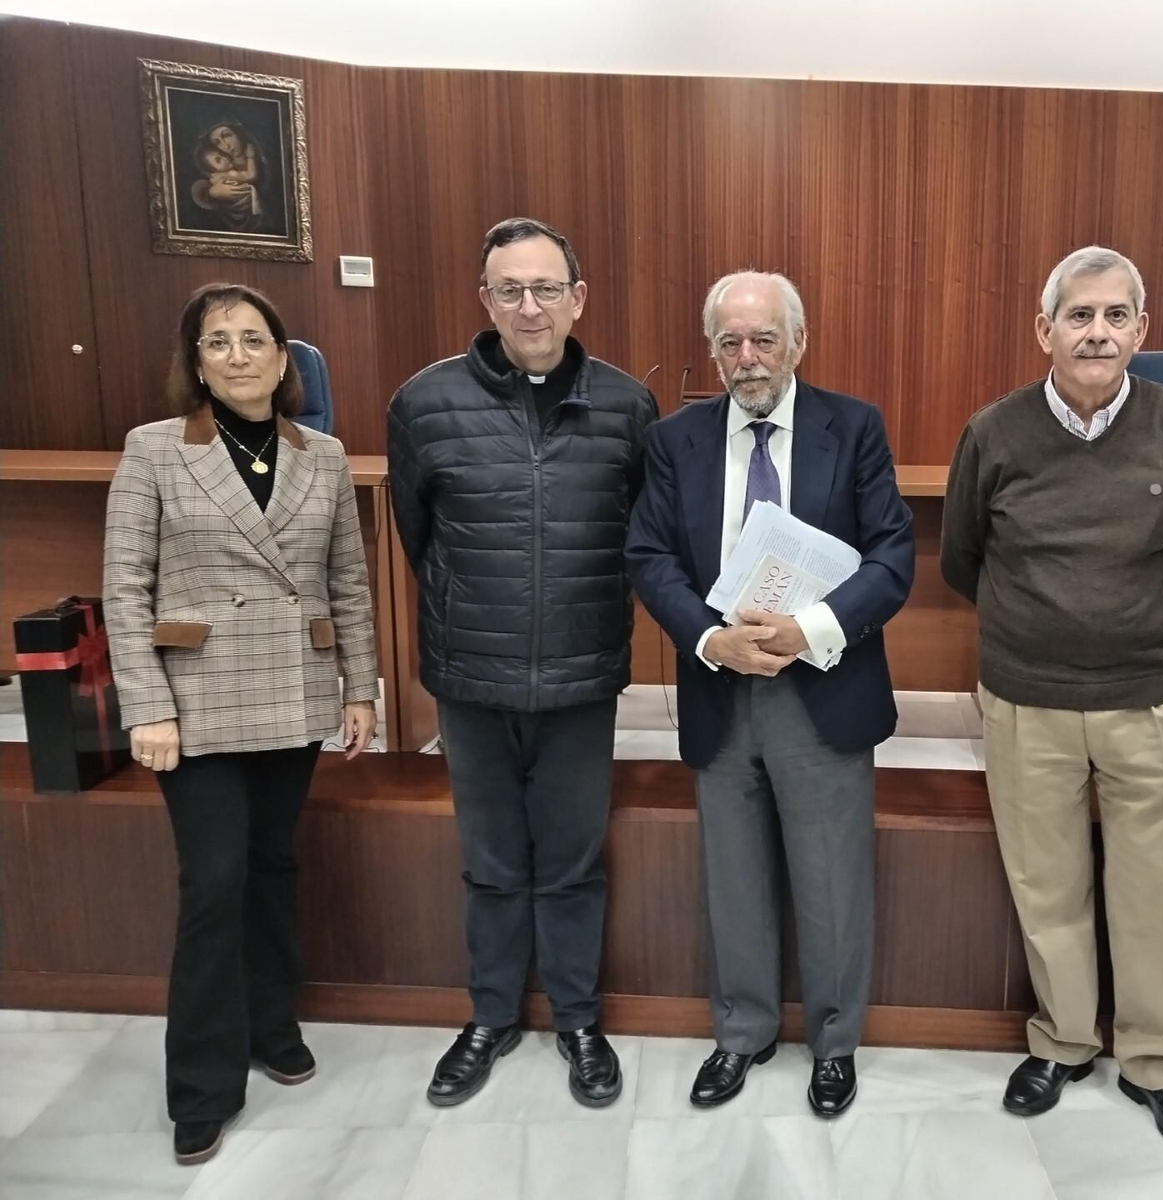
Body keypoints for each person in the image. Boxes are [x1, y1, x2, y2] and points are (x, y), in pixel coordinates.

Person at [941, 246, 1163, 1154]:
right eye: (1078, 315)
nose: (1096, 332)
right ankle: (1063, 1043)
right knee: (1047, 881)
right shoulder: (994, 431)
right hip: (1029, 699)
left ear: (1142, 329)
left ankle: (1154, 1063)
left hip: (1147, 699)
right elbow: (961, 559)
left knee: (1152, 889)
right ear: (1045, 330)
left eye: (1115, 316)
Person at [103, 282, 378, 1166]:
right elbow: (125, 587)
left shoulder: (321, 453)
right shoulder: (154, 451)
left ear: (284, 356)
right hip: (196, 701)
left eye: (253, 338)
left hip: (292, 690)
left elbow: (348, 579)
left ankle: (272, 1024)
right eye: (215, 342)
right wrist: (144, 705)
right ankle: (202, 1085)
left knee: (270, 866)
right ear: (194, 362)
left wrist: (360, 687)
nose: (236, 355)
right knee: (212, 884)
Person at [626, 270, 913, 1118]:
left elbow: (894, 557)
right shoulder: (675, 440)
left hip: (821, 684)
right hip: (721, 684)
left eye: (764, 340)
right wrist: (712, 639)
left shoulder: (852, 428)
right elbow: (650, 557)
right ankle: (743, 1033)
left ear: (798, 342)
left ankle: (833, 1044)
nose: (747, 358)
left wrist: (810, 629)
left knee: (831, 880)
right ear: (712, 350)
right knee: (735, 876)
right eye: (730, 342)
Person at [387, 217, 657, 1111]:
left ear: (579, 299)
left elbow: (639, 537)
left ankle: (578, 1020)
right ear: (486, 300)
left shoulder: (626, 406)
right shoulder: (424, 404)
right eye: (511, 289)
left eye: (548, 288)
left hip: (582, 679)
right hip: (472, 678)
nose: (530, 306)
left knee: (574, 863)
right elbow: (419, 539)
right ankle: (491, 1017)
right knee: (493, 863)